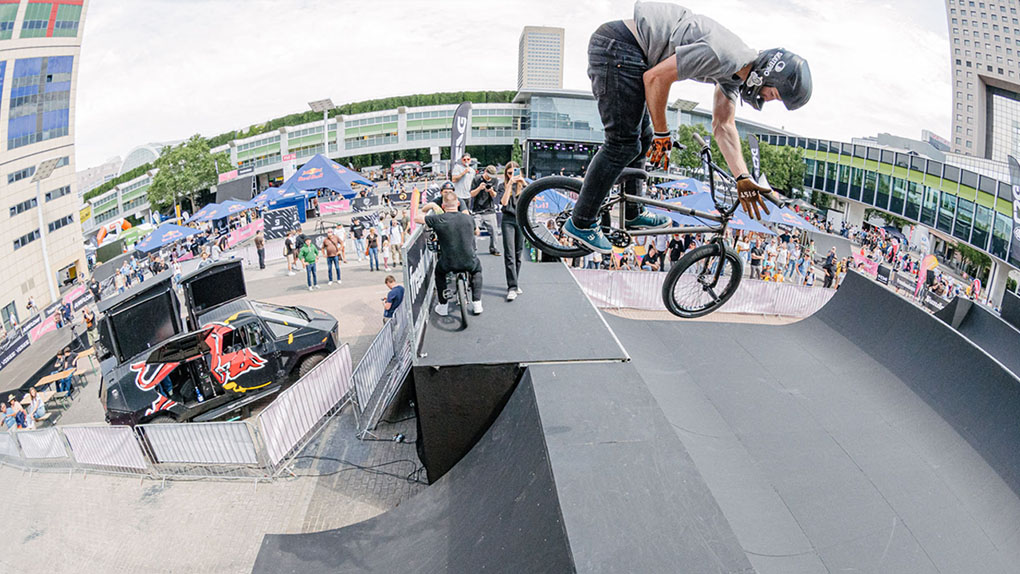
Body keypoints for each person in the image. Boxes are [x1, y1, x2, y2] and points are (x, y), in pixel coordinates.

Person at [563, 4, 812, 253]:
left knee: (643, 138)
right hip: (618, 47)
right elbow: (656, 78)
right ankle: (581, 222)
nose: (768, 100)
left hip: (629, 51)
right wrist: (663, 132)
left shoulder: (733, 73)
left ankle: (632, 212)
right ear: (767, 76)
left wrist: (743, 178)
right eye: (775, 94)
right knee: (623, 143)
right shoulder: (725, 55)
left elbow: (724, 125)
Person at [415, 188, 484, 316]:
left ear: (443, 206)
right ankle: (477, 303)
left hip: (448, 261)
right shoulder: (468, 218)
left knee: (439, 273)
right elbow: (477, 232)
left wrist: (432, 206)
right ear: (458, 204)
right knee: (477, 270)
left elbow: (417, 218)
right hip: (469, 259)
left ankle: (443, 305)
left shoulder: (438, 219)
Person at [499, 162, 527, 301]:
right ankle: (511, 287)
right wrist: (509, 184)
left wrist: (524, 182)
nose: (512, 175)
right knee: (509, 254)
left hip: (521, 220)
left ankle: (515, 283)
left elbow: (533, 198)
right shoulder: (502, 186)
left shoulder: (523, 186)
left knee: (518, 254)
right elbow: (503, 203)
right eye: (509, 173)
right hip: (508, 220)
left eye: (514, 173)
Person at [470, 166, 501, 256]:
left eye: (491, 176)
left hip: (489, 209)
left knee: (494, 230)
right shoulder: (477, 179)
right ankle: (473, 250)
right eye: (488, 175)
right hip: (477, 210)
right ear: (485, 172)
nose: (489, 178)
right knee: (475, 230)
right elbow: (471, 194)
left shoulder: (494, 180)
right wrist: (479, 188)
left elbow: (495, 195)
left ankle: (493, 248)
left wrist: (490, 190)